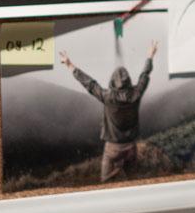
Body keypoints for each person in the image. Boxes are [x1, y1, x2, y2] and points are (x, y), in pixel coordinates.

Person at [60, 40, 156, 182]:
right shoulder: (136, 94)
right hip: (131, 146)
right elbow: (144, 75)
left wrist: (69, 65)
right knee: (133, 181)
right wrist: (150, 56)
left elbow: (90, 84)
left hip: (112, 148)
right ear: (129, 81)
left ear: (112, 82)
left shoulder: (107, 97)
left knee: (105, 181)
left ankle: (116, 184)